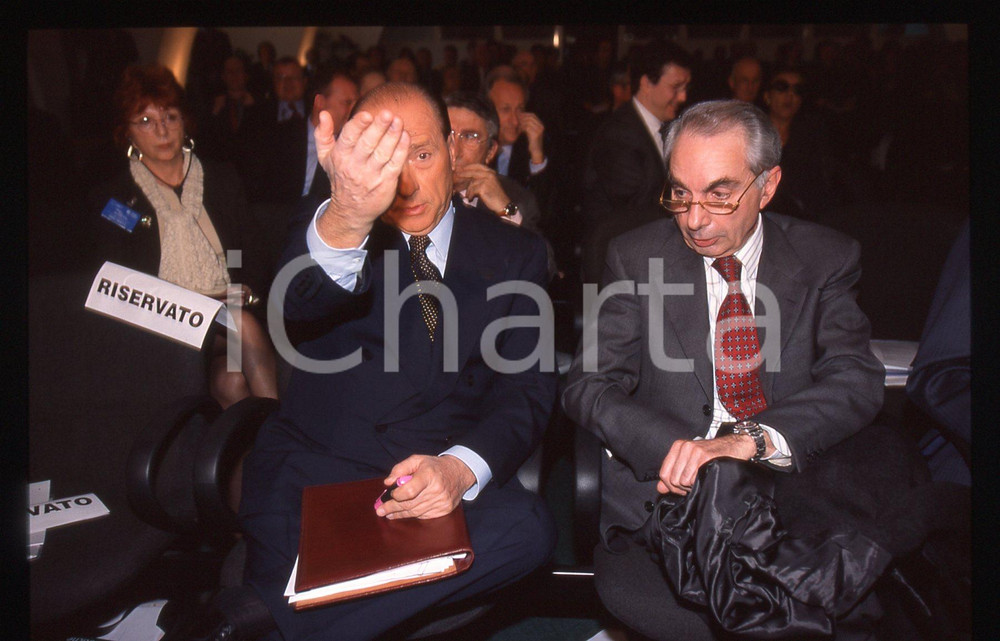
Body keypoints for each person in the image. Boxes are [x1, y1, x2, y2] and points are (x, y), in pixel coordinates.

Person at [238, 82, 557, 641]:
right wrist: (346, 212)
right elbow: (296, 298)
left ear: (454, 153)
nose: (405, 178)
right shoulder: (337, 230)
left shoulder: (515, 253)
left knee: (529, 529)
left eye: (423, 154)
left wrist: (459, 470)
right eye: (385, 156)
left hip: (429, 487)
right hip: (317, 469)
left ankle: (268, 619)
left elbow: (526, 389)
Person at [562, 99, 886, 639]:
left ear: (769, 184)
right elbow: (588, 385)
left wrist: (748, 442)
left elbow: (856, 377)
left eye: (719, 194)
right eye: (680, 194)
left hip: (791, 495)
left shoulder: (826, 257)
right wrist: (685, 450)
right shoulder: (635, 258)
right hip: (670, 505)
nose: (693, 220)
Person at [91, 63, 278, 410]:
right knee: (242, 326)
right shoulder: (118, 199)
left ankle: (255, 459)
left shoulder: (221, 179)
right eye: (145, 121)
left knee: (232, 381)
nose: (162, 131)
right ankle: (283, 440)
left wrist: (244, 287)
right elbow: (117, 276)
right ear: (127, 133)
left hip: (225, 312)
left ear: (185, 122)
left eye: (170, 117)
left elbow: (246, 249)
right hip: (161, 322)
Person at [580, 40, 693, 283]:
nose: (683, 96)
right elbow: (638, 210)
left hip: (650, 256)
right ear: (645, 83)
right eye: (676, 87)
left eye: (685, 87)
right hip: (619, 270)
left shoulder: (667, 128)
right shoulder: (617, 135)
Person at [445, 91, 557, 280]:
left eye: (470, 136)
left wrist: (506, 210)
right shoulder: (406, 191)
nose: (455, 149)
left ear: (490, 152)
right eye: (448, 134)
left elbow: (547, 269)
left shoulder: (516, 198)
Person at [761, 67, 836, 222]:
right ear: (767, 96)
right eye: (782, 88)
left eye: (797, 90)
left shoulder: (811, 135)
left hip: (803, 220)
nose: (790, 95)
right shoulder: (753, 134)